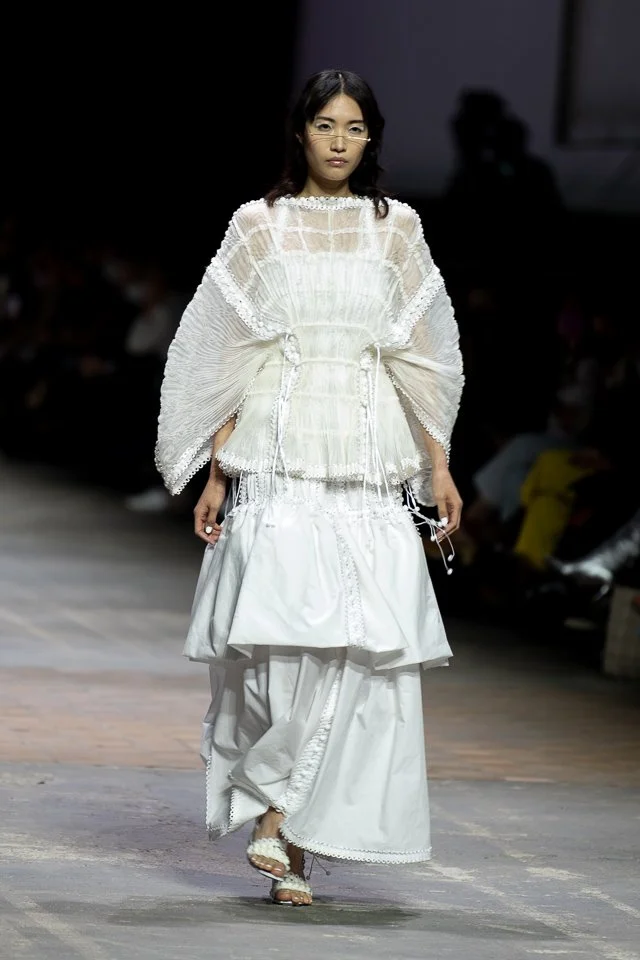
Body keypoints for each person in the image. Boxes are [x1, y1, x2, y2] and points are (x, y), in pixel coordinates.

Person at [155, 69, 464, 907]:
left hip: (365, 458)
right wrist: (216, 470)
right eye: (326, 124)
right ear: (300, 132)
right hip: (279, 454)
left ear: (371, 139)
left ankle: (280, 826)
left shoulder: (397, 228)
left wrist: (437, 465)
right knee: (278, 649)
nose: (339, 141)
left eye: (354, 128)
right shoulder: (258, 225)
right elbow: (226, 354)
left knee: (354, 647)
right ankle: (285, 833)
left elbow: (425, 360)